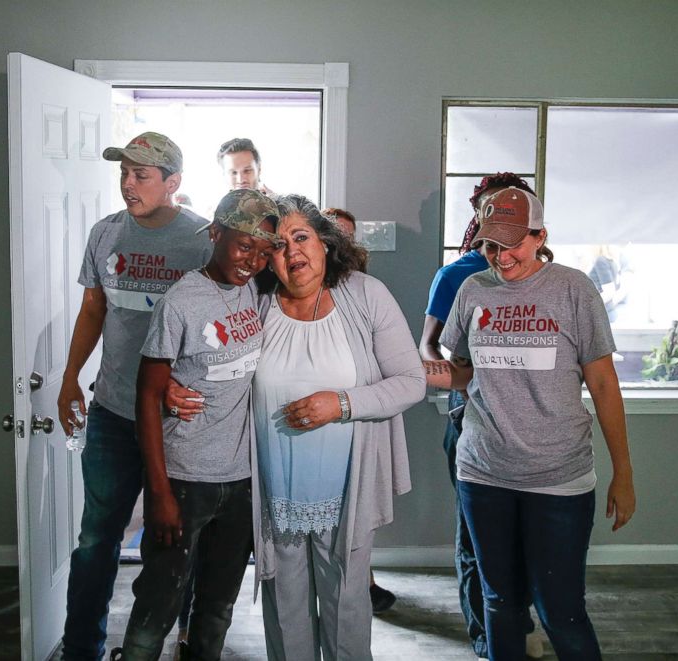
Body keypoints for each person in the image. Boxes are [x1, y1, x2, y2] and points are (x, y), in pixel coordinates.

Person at [424, 187, 636, 661]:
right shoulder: (473, 291)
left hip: (559, 479)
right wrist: (421, 372)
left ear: (541, 236)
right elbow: (464, 372)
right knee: (500, 604)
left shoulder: (572, 289)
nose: (501, 256)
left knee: (561, 611)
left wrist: (623, 473)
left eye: (513, 243)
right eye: (490, 244)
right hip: (484, 473)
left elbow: (603, 385)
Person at [57, 131, 211, 661]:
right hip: (114, 412)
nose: (128, 184)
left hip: (176, 420)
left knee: (170, 544)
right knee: (96, 540)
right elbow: (94, 311)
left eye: (141, 175)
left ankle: (167, 644)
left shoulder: (203, 241)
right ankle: (81, 649)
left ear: (173, 183)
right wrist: (69, 376)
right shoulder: (105, 235)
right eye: (123, 173)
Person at [254, 195, 425, 659]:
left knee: (346, 607)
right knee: (284, 614)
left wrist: (343, 404)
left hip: (346, 491)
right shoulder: (256, 303)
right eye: (277, 244)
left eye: (301, 237)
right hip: (275, 494)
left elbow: (412, 383)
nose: (292, 253)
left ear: (326, 242)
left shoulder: (365, 295)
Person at [118, 189, 281, 661]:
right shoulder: (182, 301)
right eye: (242, 245)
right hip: (186, 479)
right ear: (215, 234)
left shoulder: (253, 287)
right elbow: (147, 395)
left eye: (262, 249)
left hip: (240, 482)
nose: (252, 259)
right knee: (158, 606)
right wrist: (160, 492)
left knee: (217, 609)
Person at [419, 174, 542, 660]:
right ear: (478, 212)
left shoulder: (545, 279)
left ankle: (521, 621)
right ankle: (487, 636)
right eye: (492, 208)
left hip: (534, 431)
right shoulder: (458, 277)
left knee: (529, 537)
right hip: (471, 424)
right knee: (477, 539)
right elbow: (427, 346)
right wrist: (466, 378)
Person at [322, 205, 399, 615]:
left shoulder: (370, 293)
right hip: (311, 428)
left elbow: (401, 373)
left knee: (357, 511)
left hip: (361, 415)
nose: (339, 242)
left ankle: (360, 583)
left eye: (347, 236)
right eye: (332, 233)